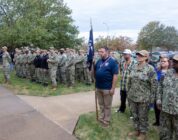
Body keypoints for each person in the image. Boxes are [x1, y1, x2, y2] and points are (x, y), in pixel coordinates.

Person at [127, 50, 157, 140]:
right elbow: (130, 81)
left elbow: (154, 84)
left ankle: (143, 133)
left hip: (144, 98)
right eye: (138, 55)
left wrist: (152, 99)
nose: (139, 56)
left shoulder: (150, 68)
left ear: (146, 57)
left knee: (143, 117)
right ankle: (137, 130)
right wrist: (128, 93)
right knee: (135, 115)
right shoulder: (134, 66)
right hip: (132, 96)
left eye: (141, 55)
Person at [94, 46, 118, 127]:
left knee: (107, 105)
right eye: (99, 51)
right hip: (98, 87)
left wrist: (113, 88)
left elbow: (115, 75)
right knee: (101, 104)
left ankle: (106, 120)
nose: (100, 53)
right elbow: (95, 71)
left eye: (102, 51)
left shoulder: (112, 62)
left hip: (107, 88)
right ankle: (102, 116)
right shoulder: (98, 61)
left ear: (107, 52)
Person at [156, 54, 178, 140]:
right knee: (164, 133)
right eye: (174, 61)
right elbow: (160, 86)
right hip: (165, 110)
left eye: (177, 62)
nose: (174, 63)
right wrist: (158, 99)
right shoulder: (168, 72)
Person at [116, 49, 136, 113]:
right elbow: (121, 70)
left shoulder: (134, 62)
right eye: (124, 54)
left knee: (131, 99)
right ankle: (122, 109)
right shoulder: (122, 62)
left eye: (126, 54)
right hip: (123, 84)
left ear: (130, 55)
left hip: (130, 85)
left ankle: (133, 113)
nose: (124, 55)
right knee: (122, 98)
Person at [153, 56, 170, 126]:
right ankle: (157, 121)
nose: (162, 62)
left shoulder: (171, 72)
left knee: (164, 109)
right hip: (156, 92)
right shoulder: (157, 70)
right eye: (161, 61)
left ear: (168, 63)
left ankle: (164, 123)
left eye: (164, 61)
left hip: (166, 93)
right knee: (156, 107)